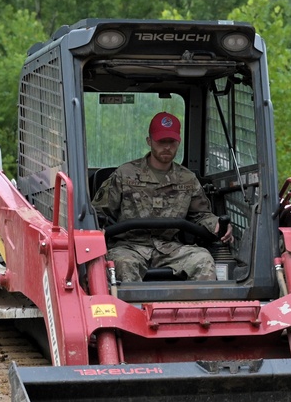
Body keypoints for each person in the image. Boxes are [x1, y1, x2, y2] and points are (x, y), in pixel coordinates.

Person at [92, 112, 232, 281]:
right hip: (129, 247)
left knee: (202, 260)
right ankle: (131, 307)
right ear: (149, 141)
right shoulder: (125, 174)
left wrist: (216, 224)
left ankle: (197, 307)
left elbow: (201, 215)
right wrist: (96, 231)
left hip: (170, 248)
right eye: (161, 141)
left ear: (178, 142)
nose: (166, 147)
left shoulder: (187, 179)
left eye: (171, 142)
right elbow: (99, 213)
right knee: (122, 264)